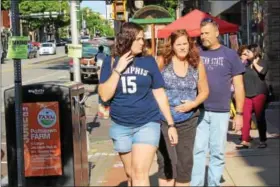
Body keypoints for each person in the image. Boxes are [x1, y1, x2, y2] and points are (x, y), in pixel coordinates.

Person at [98, 22, 178, 186]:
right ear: (128, 39)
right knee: (131, 174)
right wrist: (118, 70)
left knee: (140, 173)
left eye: (143, 38)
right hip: (121, 125)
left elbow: (159, 93)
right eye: (140, 39)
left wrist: (170, 124)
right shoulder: (111, 61)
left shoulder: (148, 62)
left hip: (147, 122)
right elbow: (105, 95)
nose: (143, 42)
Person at [191, 18, 245, 187]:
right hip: (199, 110)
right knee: (198, 150)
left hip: (221, 111)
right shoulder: (196, 53)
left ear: (217, 33)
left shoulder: (230, 55)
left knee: (217, 152)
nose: (203, 36)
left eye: (206, 33)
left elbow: (239, 86)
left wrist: (240, 114)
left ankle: (214, 183)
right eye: (201, 33)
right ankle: (196, 184)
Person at [156, 29, 209, 187]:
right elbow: (152, 87)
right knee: (167, 161)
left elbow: (205, 90)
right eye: (178, 44)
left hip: (188, 120)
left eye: (185, 43)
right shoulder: (162, 61)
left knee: (185, 163)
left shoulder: (197, 63)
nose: (182, 47)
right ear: (172, 45)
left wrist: (193, 104)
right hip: (164, 119)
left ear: (190, 44)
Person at [236, 44, 268, 149]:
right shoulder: (245, 64)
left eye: (248, 52)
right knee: (246, 117)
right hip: (247, 94)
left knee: (259, 118)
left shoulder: (262, 62)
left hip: (259, 93)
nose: (246, 53)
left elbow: (262, 72)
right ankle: (245, 140)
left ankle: (262, 140)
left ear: (255, 52)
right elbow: (237, 73)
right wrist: (242, 61)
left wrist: (255, 64)